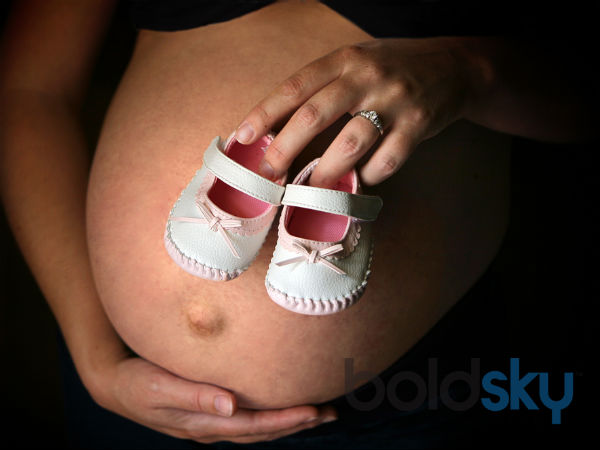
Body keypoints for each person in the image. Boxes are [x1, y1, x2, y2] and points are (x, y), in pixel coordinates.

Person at [0, 0, 594, 448]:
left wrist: (469, 73)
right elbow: (29, 91)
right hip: (129, 392)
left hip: (399, 397)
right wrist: (95, 357)